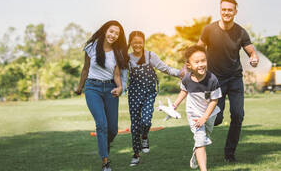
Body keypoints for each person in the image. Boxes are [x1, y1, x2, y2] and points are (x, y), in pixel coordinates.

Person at [198, 0, 259, 162]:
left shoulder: (241, 32)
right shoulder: (209, 30)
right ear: (220, 10)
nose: (226, 12)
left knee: (238, 115)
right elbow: (198, 49)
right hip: (214, 81)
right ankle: (200, 139)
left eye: (230, 10)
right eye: (224, 9)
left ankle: (229, 154)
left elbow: (251, 52)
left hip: (234, 79)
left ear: (235, 12)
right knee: (216, 119)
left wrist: (254, 58)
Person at [75, 20, 129, 171]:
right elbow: (85, 69)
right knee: (101, 124)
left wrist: (120, 88)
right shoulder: (92, 47)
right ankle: (105, 162)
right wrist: (80, 87)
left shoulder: (117, 52)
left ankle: (105, 144)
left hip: (110, 89)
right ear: (105, 31)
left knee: (113, 129)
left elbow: (117, 74)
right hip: (93, 88)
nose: (113, 35)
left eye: (116, 33)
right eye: (111, 31)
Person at [127, 31, 181, 166]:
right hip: (133, 94)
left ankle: (144, 136)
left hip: (149, 94)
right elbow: (122, 76)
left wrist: (180, 73)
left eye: (140, 42)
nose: (137, 45)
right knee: (135, 125)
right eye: (134, 42)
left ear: (144, 43)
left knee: (145, 121)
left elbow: (165, 68)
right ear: (130, 43)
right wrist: (120, 87)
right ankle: (136, 154)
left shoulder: (150, 55)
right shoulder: (127, 58)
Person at [173, 45, 222, 171]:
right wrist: (175, 104)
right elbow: (184, 91)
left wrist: (205, 117)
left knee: (205, 138)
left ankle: (197, 153)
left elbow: (214, 100)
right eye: (197, 62)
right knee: (200, 140)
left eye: (203, 60)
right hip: (194, 114)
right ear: (189, 65)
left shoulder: (212, 79)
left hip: (209, 114)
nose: (201, 64)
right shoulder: (187, 79)